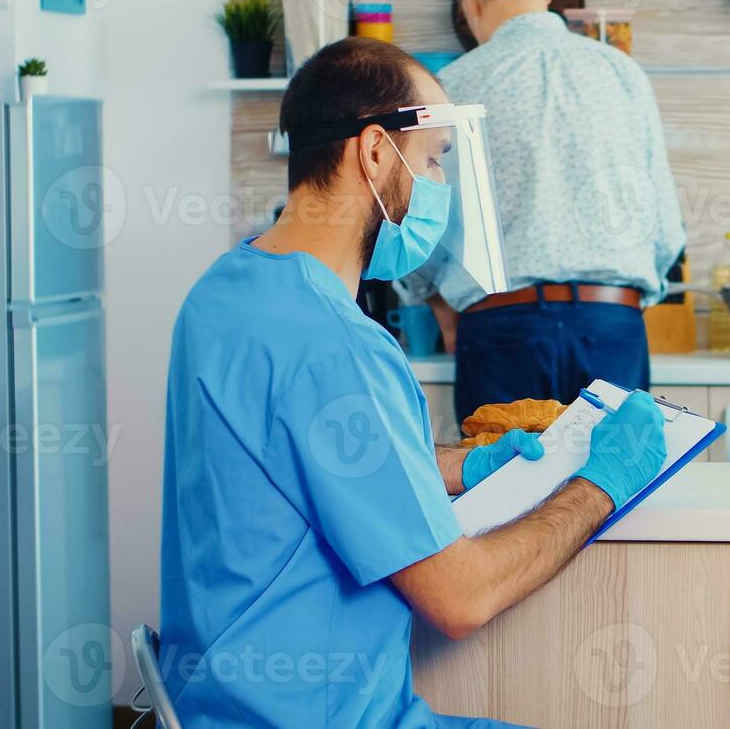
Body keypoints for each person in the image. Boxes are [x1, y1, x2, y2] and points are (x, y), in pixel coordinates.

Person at [158, 38, 668, 727]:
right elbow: (462, 598)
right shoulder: (339, 344)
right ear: (374, 153)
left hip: (220, 704)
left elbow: (298, 467)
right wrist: (600, 486)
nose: (436, 186)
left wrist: (461, 466)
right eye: (431, 159)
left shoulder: (224, 290)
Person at [407, 0, 685, 423]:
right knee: (611, 494)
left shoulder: (451, 88)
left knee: (504, 497)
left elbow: (415, 223)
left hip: (499, 329)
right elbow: (665, 231)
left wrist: (440, 306)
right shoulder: (622, 74)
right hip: (611, 322)